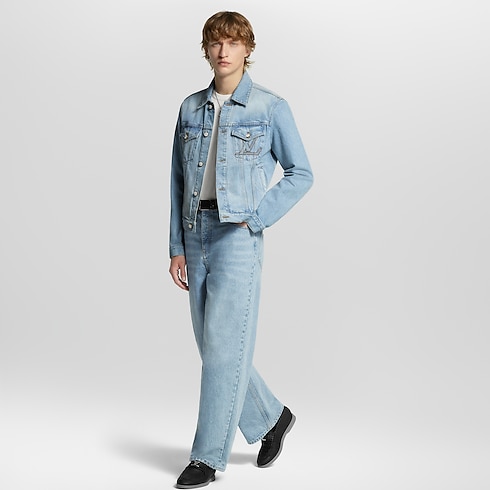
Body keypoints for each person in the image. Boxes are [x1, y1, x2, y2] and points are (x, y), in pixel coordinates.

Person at [168, 11, 313, 488]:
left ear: (248, 49)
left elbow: (301, 173)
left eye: (233, 42)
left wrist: (257, 217)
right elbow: (177, 181)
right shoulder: (191, 108)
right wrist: (176, 245)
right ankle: (272, 418)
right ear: (206, 50)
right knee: (214, 347)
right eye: (216, 42)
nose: (223, 51)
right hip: (195, 234)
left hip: (237, 237)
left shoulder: (270, 108)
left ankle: (207, 458)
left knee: (222, 349)